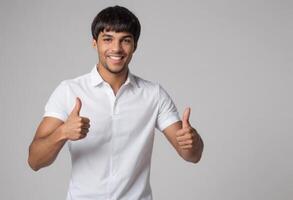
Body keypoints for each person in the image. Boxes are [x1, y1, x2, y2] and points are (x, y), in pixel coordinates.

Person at [28, 5, 204, 200]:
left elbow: (191, 155)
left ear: (135, 46)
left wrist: (193, 142)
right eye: (108, 39)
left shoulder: (154, 94)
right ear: (95, 43)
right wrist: (62, 132)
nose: (116, 48)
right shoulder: (69, 91)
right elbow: (34, 161)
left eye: (125, 40)